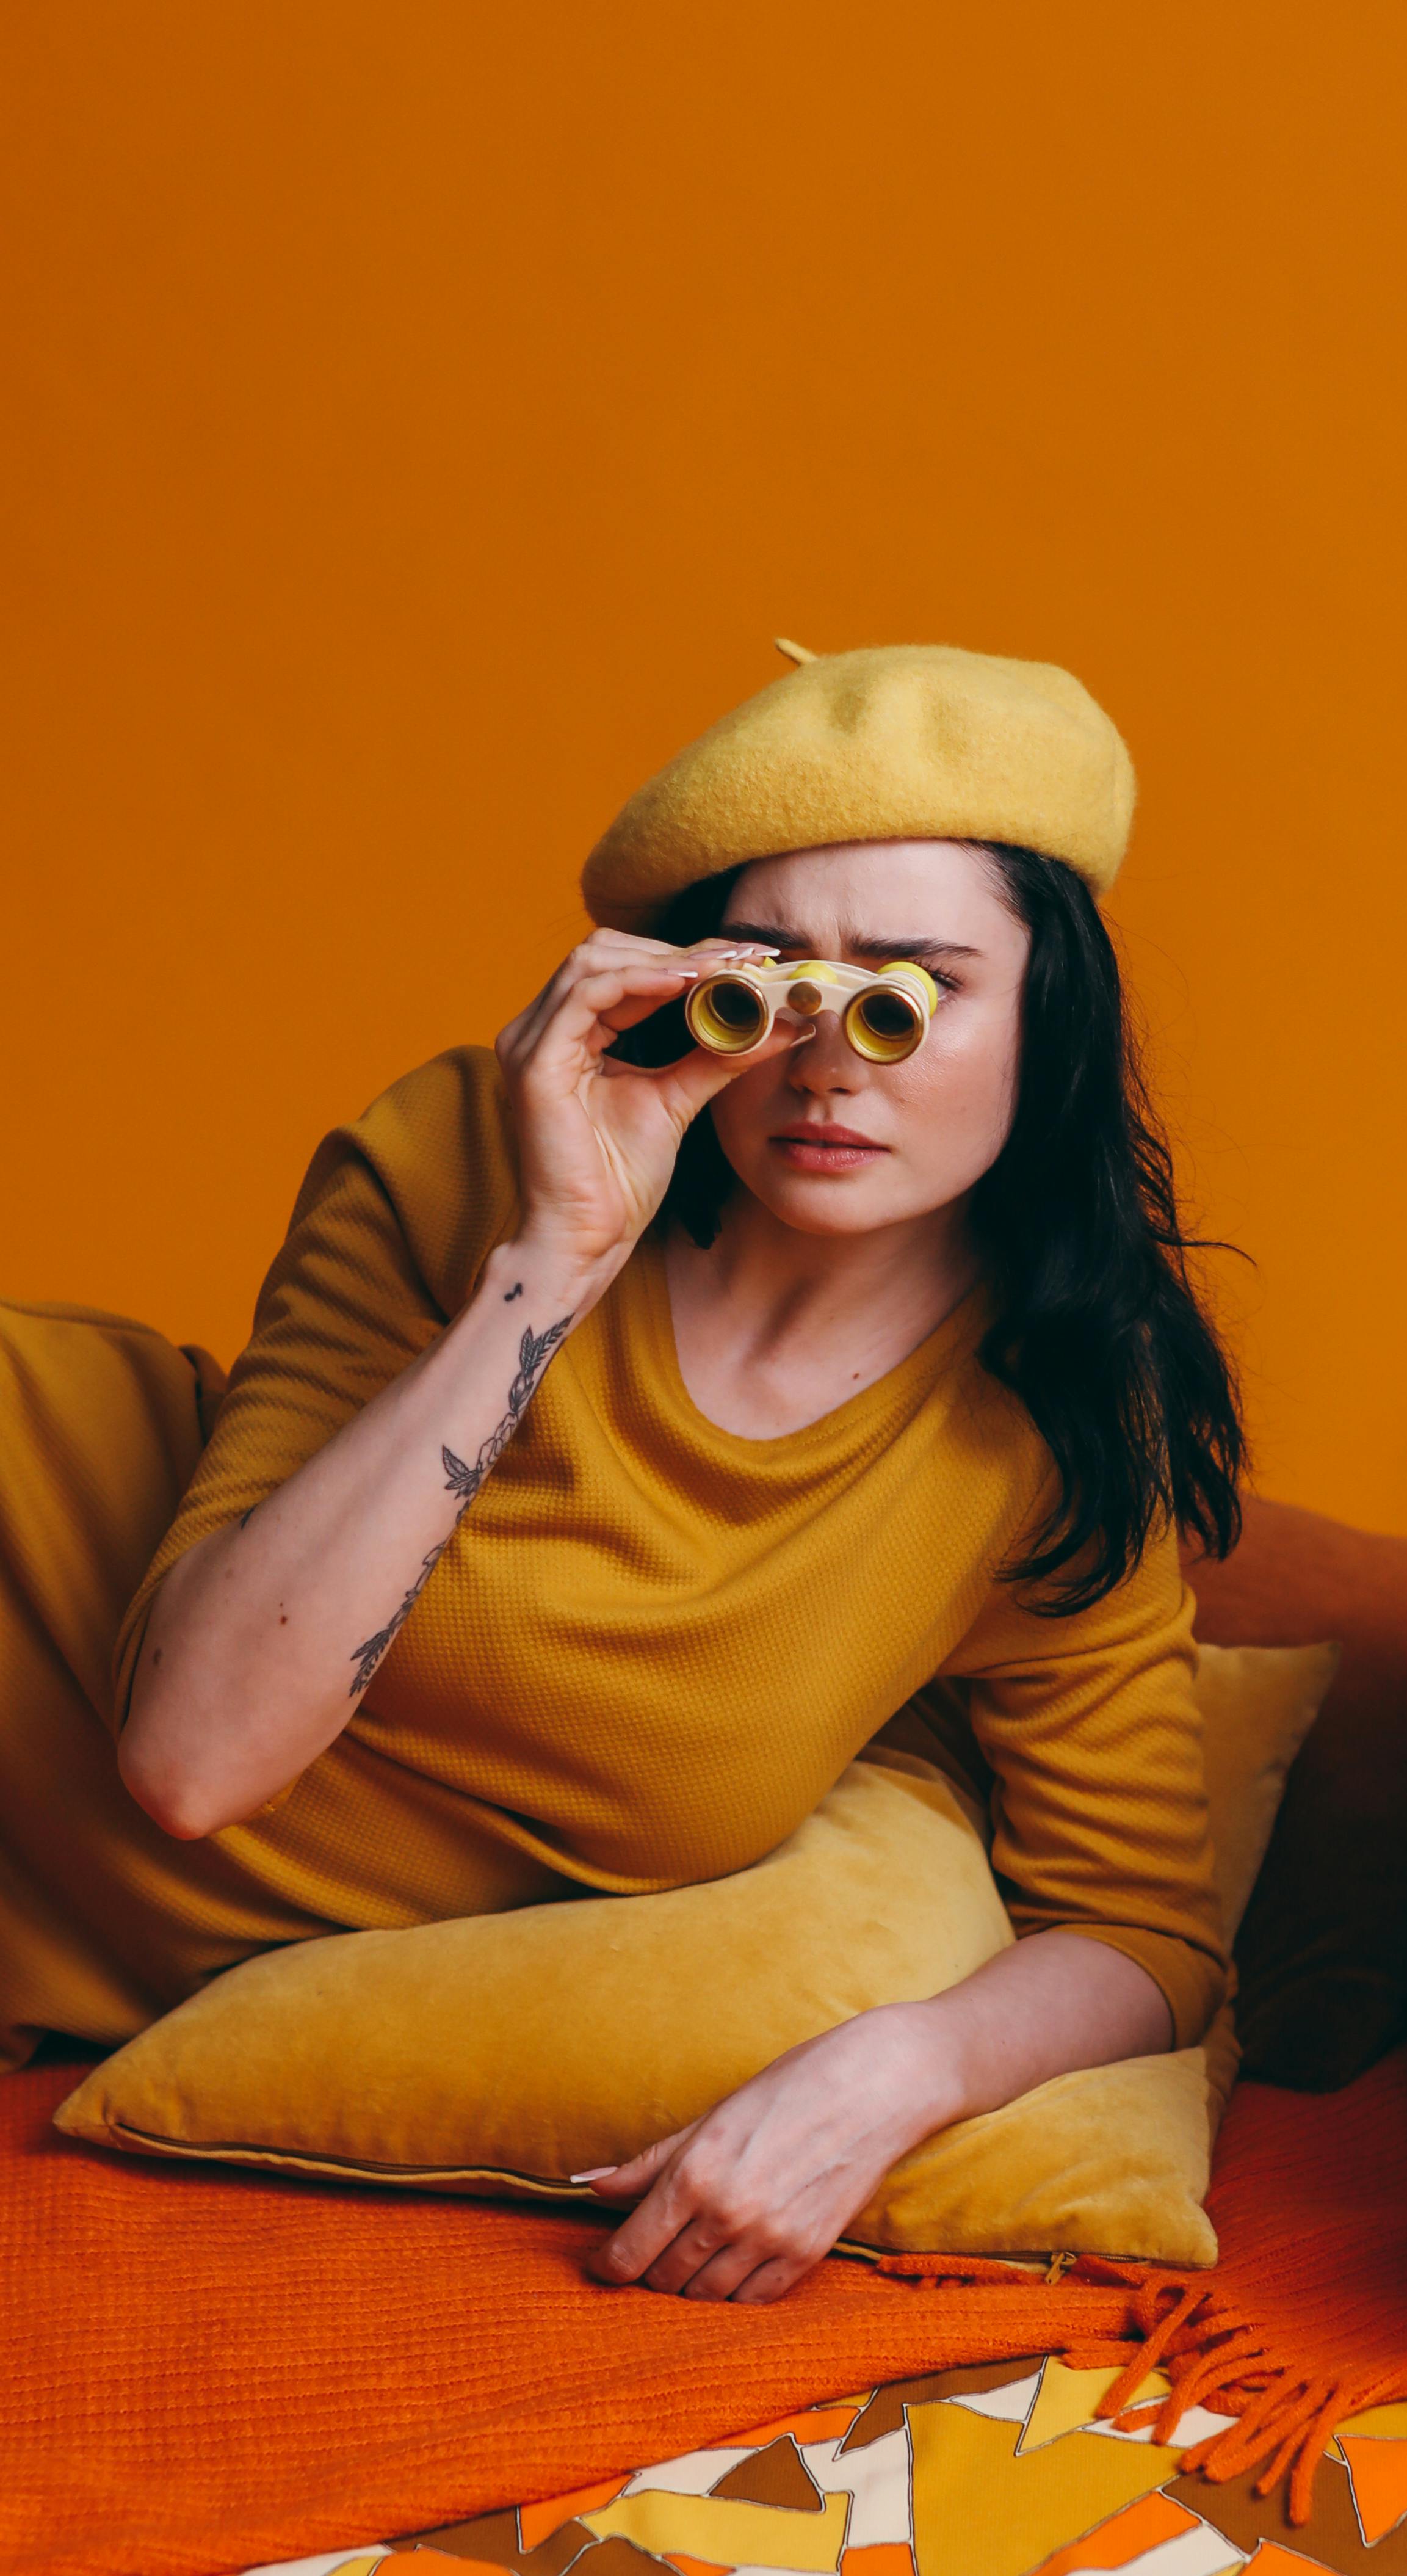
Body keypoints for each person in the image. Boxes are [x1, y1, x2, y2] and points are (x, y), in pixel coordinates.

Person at [0, 641, 1245, 2304]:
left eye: (911, 988)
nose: (827, 1060)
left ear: (1050, 1023)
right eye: (768, 985)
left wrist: (897, 2071)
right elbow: (194, 1758)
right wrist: (551, 1258)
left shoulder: (1054, 1419)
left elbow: (1145, 1930)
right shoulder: (474, 1160)